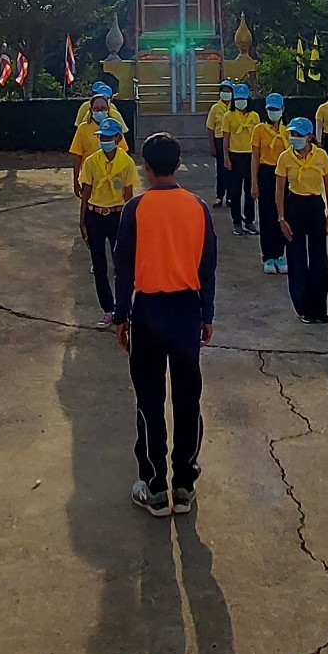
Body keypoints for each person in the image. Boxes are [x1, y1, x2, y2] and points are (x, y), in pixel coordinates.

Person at [114, 133, 217, 518]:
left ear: (146, 165)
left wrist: (121, 316)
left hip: (149, 311)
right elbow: (208, 268)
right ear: (176, 164)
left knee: (149, 400)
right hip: (187, 311)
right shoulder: (198, 207)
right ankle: (184, 484)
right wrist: (207, 315)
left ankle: (155, 486)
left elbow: (123, 268)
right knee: (188, 398)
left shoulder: (135, 209)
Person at [77, 116, 139, 326]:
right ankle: (108, 308)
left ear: (118, 138)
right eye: (101, 137)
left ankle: (125, 309)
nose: (104, 140)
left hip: (117, 215)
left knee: (122, 265)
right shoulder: (92, 161)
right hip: (95, 214)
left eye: (108, 137)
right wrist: (83, 219)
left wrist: (132, 223)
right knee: (99, 264)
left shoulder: (127, 163)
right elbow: (86, 190)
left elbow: (129, 195)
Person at [275, 117, 328, 324]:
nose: (295, 138)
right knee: (296, 256)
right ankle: (303, 307)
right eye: (292, 134)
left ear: (309, 137)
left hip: (315, 205)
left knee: (319, 258)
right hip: (295, 206)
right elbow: (280, 189)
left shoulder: (321, 155)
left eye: (299, 135)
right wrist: (281, 217)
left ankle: (320, 307)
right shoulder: (285, 158)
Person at [253, 93, 290, 274]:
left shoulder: (288, 131)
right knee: (267, 215)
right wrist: (254, 182)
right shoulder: (259, 130)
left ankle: (280, 254)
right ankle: (268, 256)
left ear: (282, 110)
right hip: (266, 173)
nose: (273, 112)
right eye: (270, 109)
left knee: (282, 214)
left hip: (283, 174)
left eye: (276, 109)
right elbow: (255, 158)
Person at [221, 83, 261, 236]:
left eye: (243, 99)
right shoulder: (228, 116)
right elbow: (226, 139)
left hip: (250, 156)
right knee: (235, 191)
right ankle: (237, 222)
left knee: (251, 191)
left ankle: (250, 221)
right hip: (235, 156)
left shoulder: (254, 116)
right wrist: (226, 158)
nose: (240, 102)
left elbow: (258, 141)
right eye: (238, 99)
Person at [204, 88, 233, 203]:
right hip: (220, 140)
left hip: (233, 141)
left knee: (232, 171)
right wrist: (212, 146)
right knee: (221, 170)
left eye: (228, 91)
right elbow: (210, 128)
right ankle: (219, 196)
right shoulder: (215, 108)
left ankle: (230, 197)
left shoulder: (234, 108)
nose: (226, 93)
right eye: (224, 90)